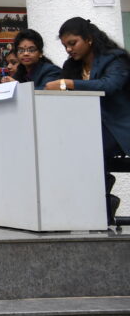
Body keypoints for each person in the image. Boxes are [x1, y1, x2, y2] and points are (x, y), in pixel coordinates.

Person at [44, 17, 130, 224]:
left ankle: (100, 206)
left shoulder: (115, 59)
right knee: (60, 147)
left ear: (89, 39)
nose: (69, 49)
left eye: (73, 43)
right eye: (65, 46)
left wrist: (67, 84)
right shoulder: (71, 65)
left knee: (87, 149)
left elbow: (108, 86)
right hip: (90, 127)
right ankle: (99, 205)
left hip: (119, 127)